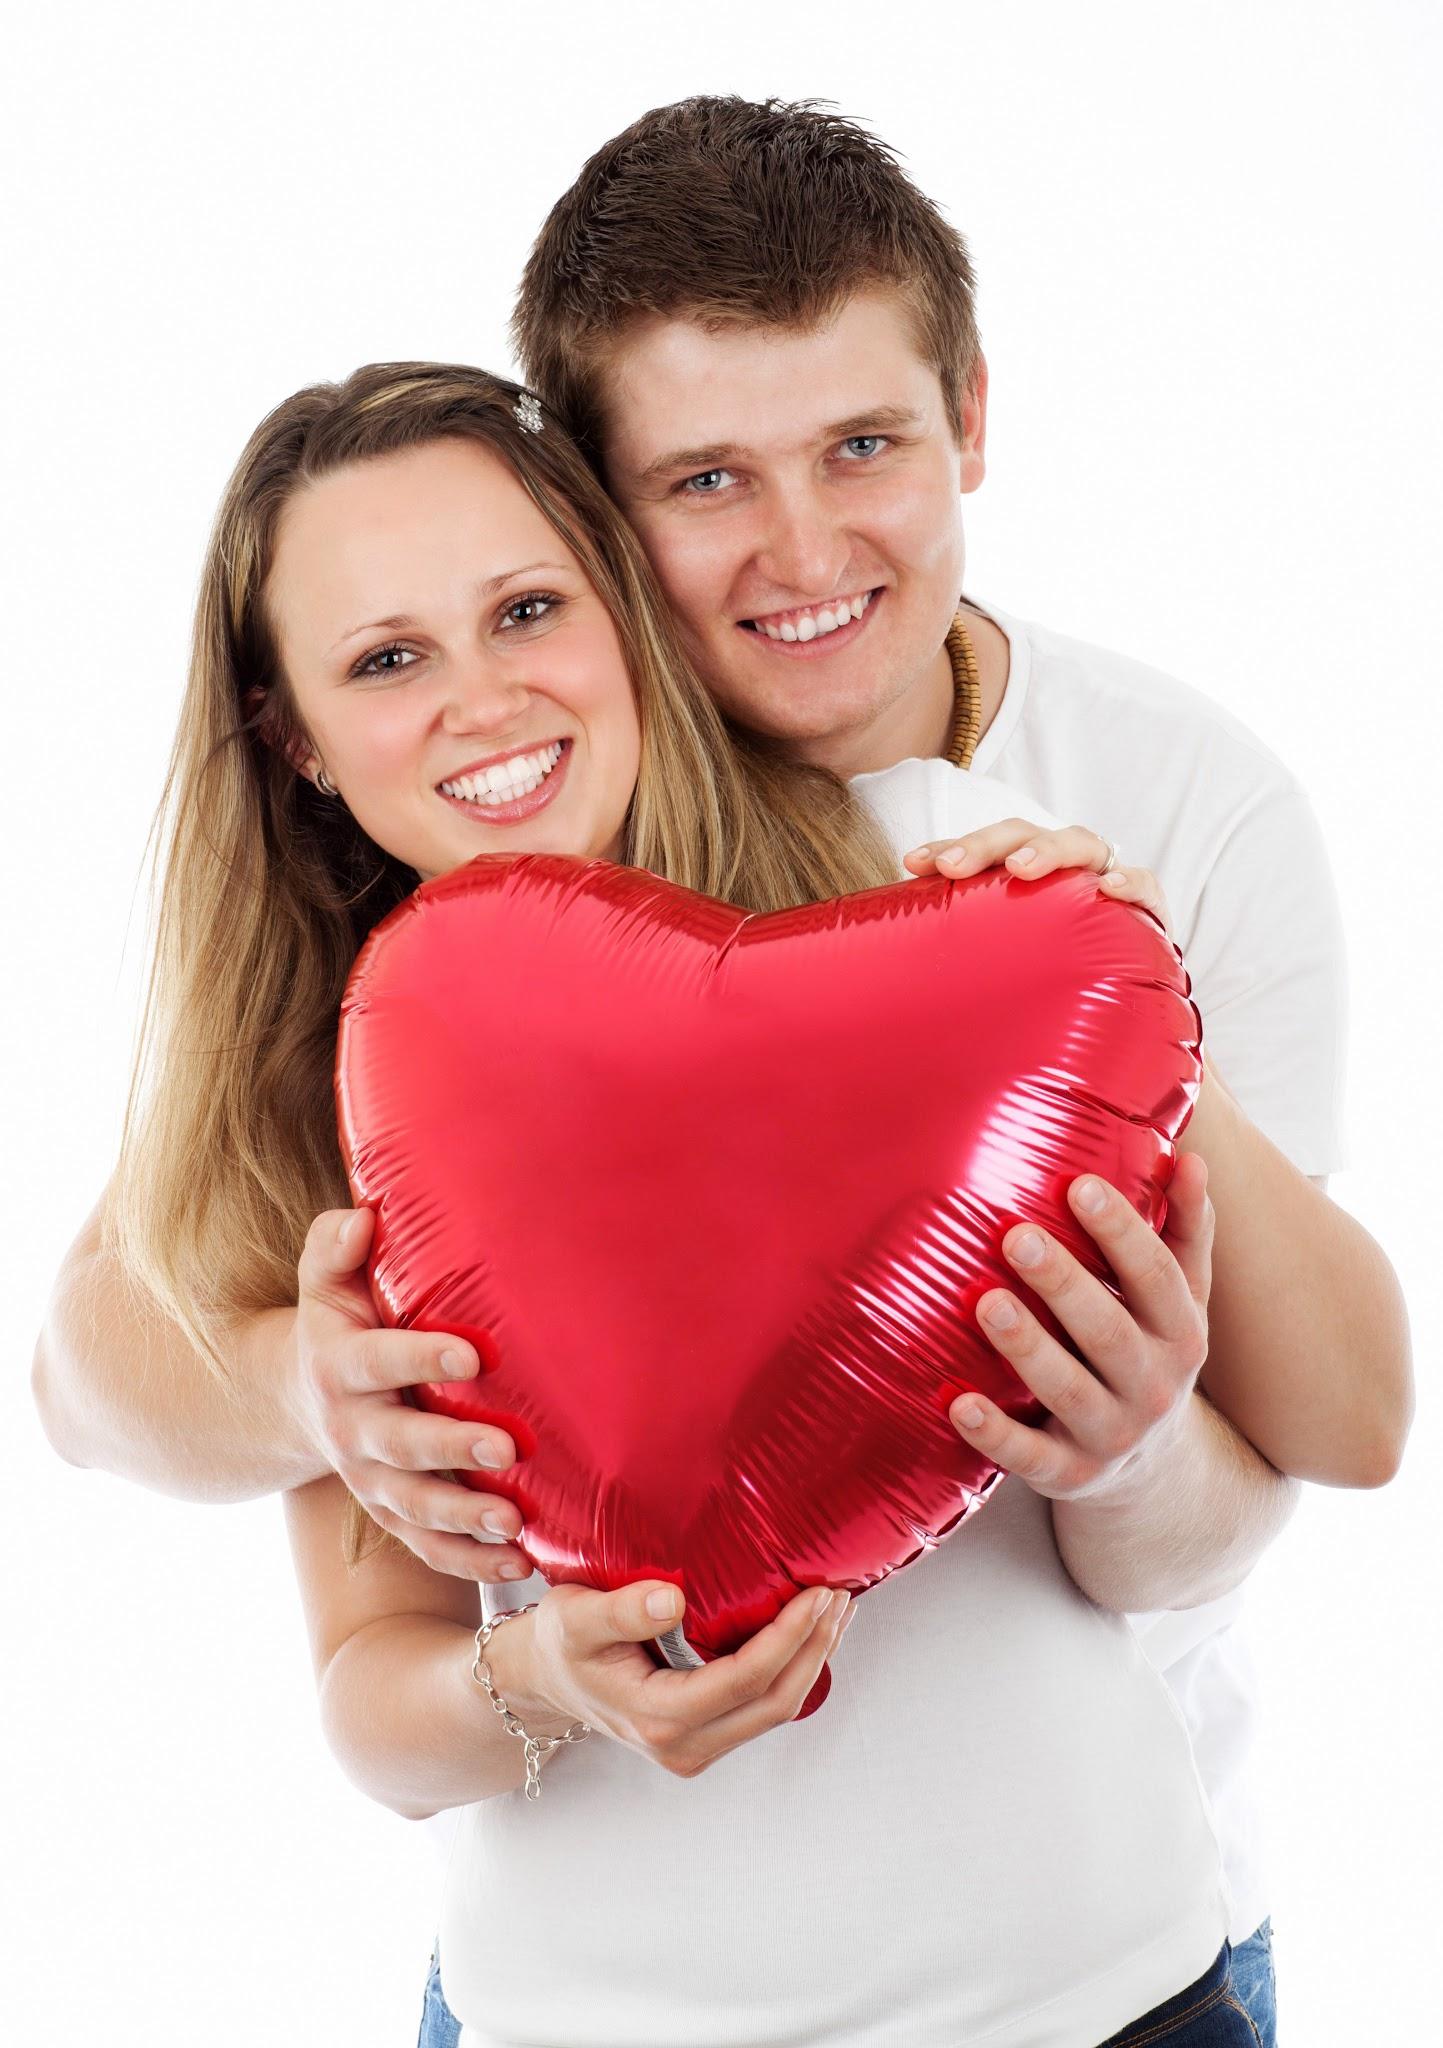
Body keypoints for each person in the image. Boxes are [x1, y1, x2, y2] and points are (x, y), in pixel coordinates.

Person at [33, 356, 1384, 2046]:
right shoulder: (338, 1086)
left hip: (1097, 2003)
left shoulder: (950, 883)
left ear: (621, 611)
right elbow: (366, 1688)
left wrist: (1135, 1437)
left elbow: (1294, 1469)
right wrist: (534, 1686)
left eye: (526, 608)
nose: (480, 697)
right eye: (387, 658)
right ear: (295, 736)